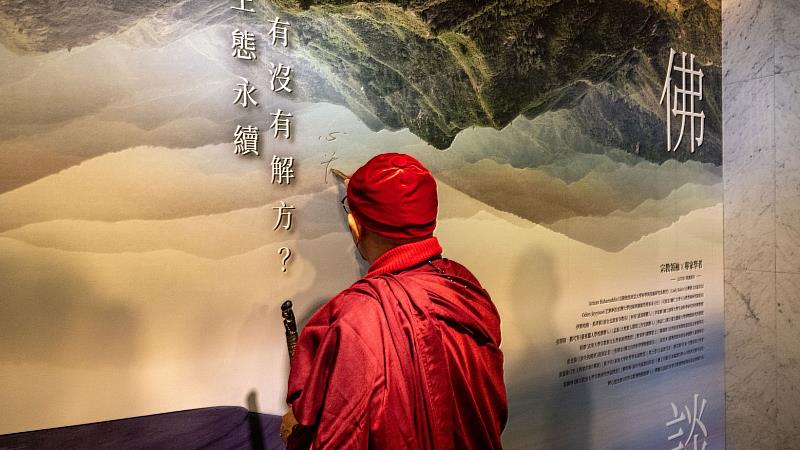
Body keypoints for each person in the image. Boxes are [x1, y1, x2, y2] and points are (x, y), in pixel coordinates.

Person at [280, 153, 507, 449]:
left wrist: (297, 429)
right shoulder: (465, 288)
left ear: (354, 226)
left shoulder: (356, 318)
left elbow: (339, 435)